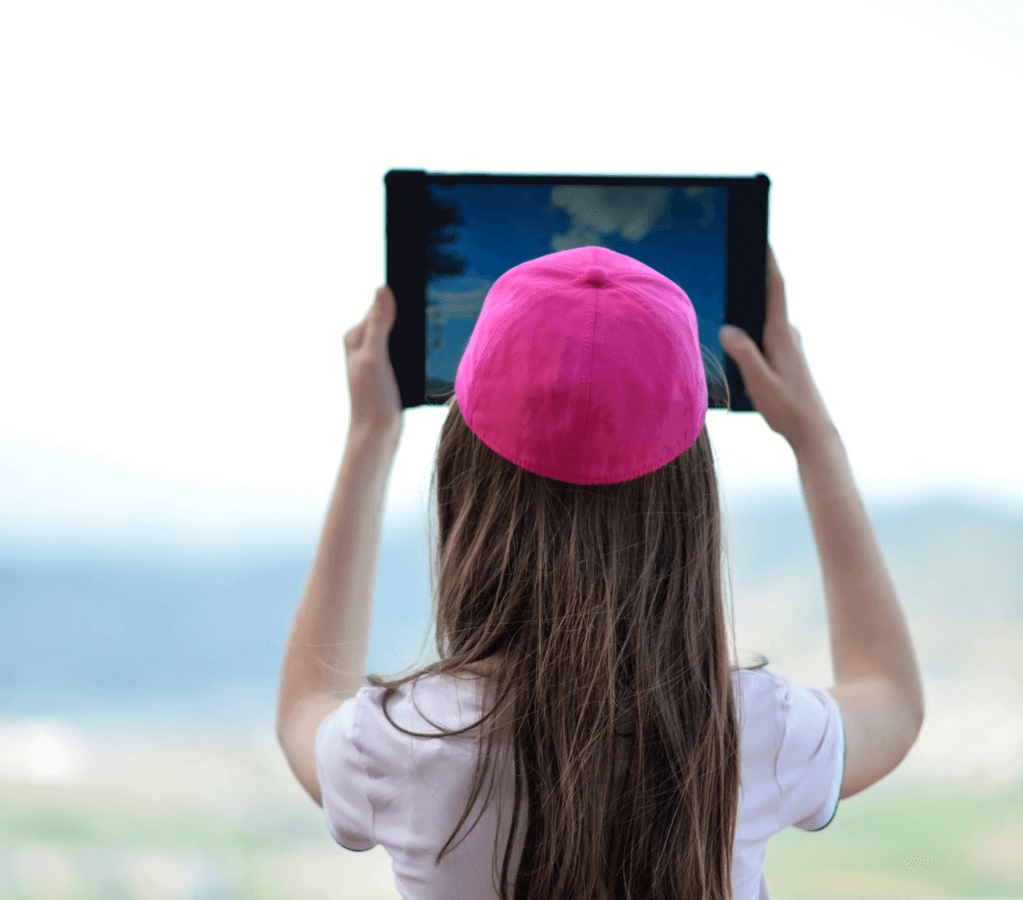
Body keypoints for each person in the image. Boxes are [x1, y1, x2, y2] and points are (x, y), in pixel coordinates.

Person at [275, 244, 925, 900]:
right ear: (688, 508)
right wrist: (816, 440)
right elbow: (891, 701)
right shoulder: (752, 732)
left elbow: (304, 705)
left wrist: (369, 436)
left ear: (462, 486)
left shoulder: (402, 741)